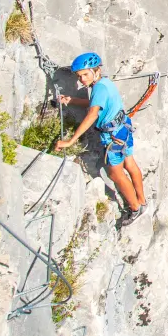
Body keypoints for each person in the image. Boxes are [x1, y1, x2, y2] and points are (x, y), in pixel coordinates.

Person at [56, 52, 146, 225]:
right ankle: (142, 200)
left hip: (113, 137)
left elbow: (92, 113)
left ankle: (135, 208)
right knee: (130, 164)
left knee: (115, 174)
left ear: (95, 71)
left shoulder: (98, 88)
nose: (82, 80)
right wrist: (72, 100)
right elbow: (96, 103)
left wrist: (71, 140)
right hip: (123, 129)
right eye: (79, 76)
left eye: (85, 74)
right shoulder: (104, 84)